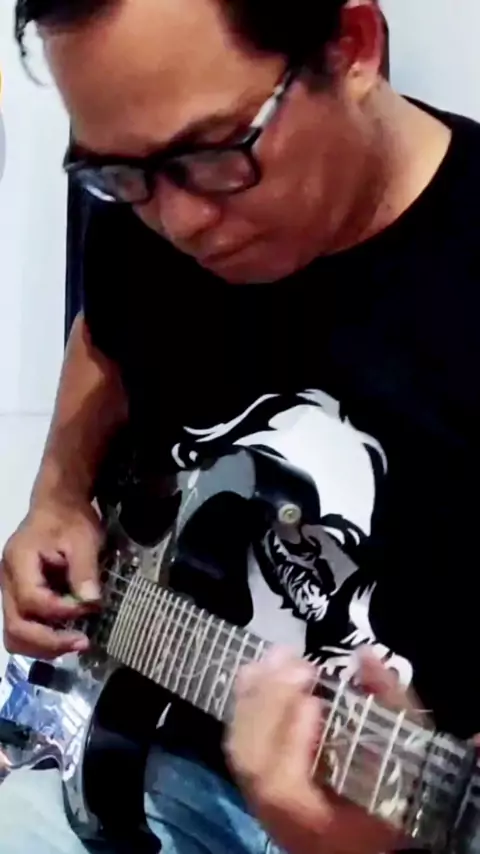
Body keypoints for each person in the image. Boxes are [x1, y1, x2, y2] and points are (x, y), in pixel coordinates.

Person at [1, 0, 480, 850]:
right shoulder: (143, 190)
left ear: (352, 47)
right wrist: (59, 493)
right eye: (118, 175)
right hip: (125, 756)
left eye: (216, 154)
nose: (177, 223)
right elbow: (106, 331)